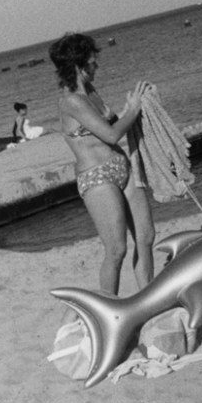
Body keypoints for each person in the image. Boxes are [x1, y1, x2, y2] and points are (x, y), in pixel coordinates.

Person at [50, 33, 156, 295]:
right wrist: (133, 109)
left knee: (145, 236)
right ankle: (108, 306)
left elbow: (115, 124)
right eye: (92, 60)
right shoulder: (71, 102)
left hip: (122, 167)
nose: (96, 64)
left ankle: (149, 298)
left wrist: (135, 107)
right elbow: (111, 135)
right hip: (97, 178)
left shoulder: (91, 93)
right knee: (117, 250)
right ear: (79, 65)